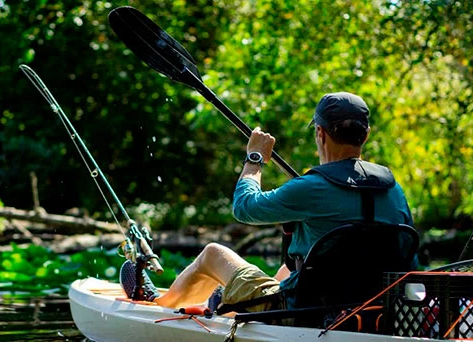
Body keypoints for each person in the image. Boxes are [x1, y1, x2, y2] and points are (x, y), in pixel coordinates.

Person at [122, 92, 415, 315]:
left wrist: (255, 159)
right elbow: (406, 260)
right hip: (373, 310)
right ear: (366, 135)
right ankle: (215, 299)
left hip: (303, 313)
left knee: (213, 253)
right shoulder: (394, 191)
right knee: (292, 268)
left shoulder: (311, 187)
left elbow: (245, 206)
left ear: (320, 133)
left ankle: (156, 303)